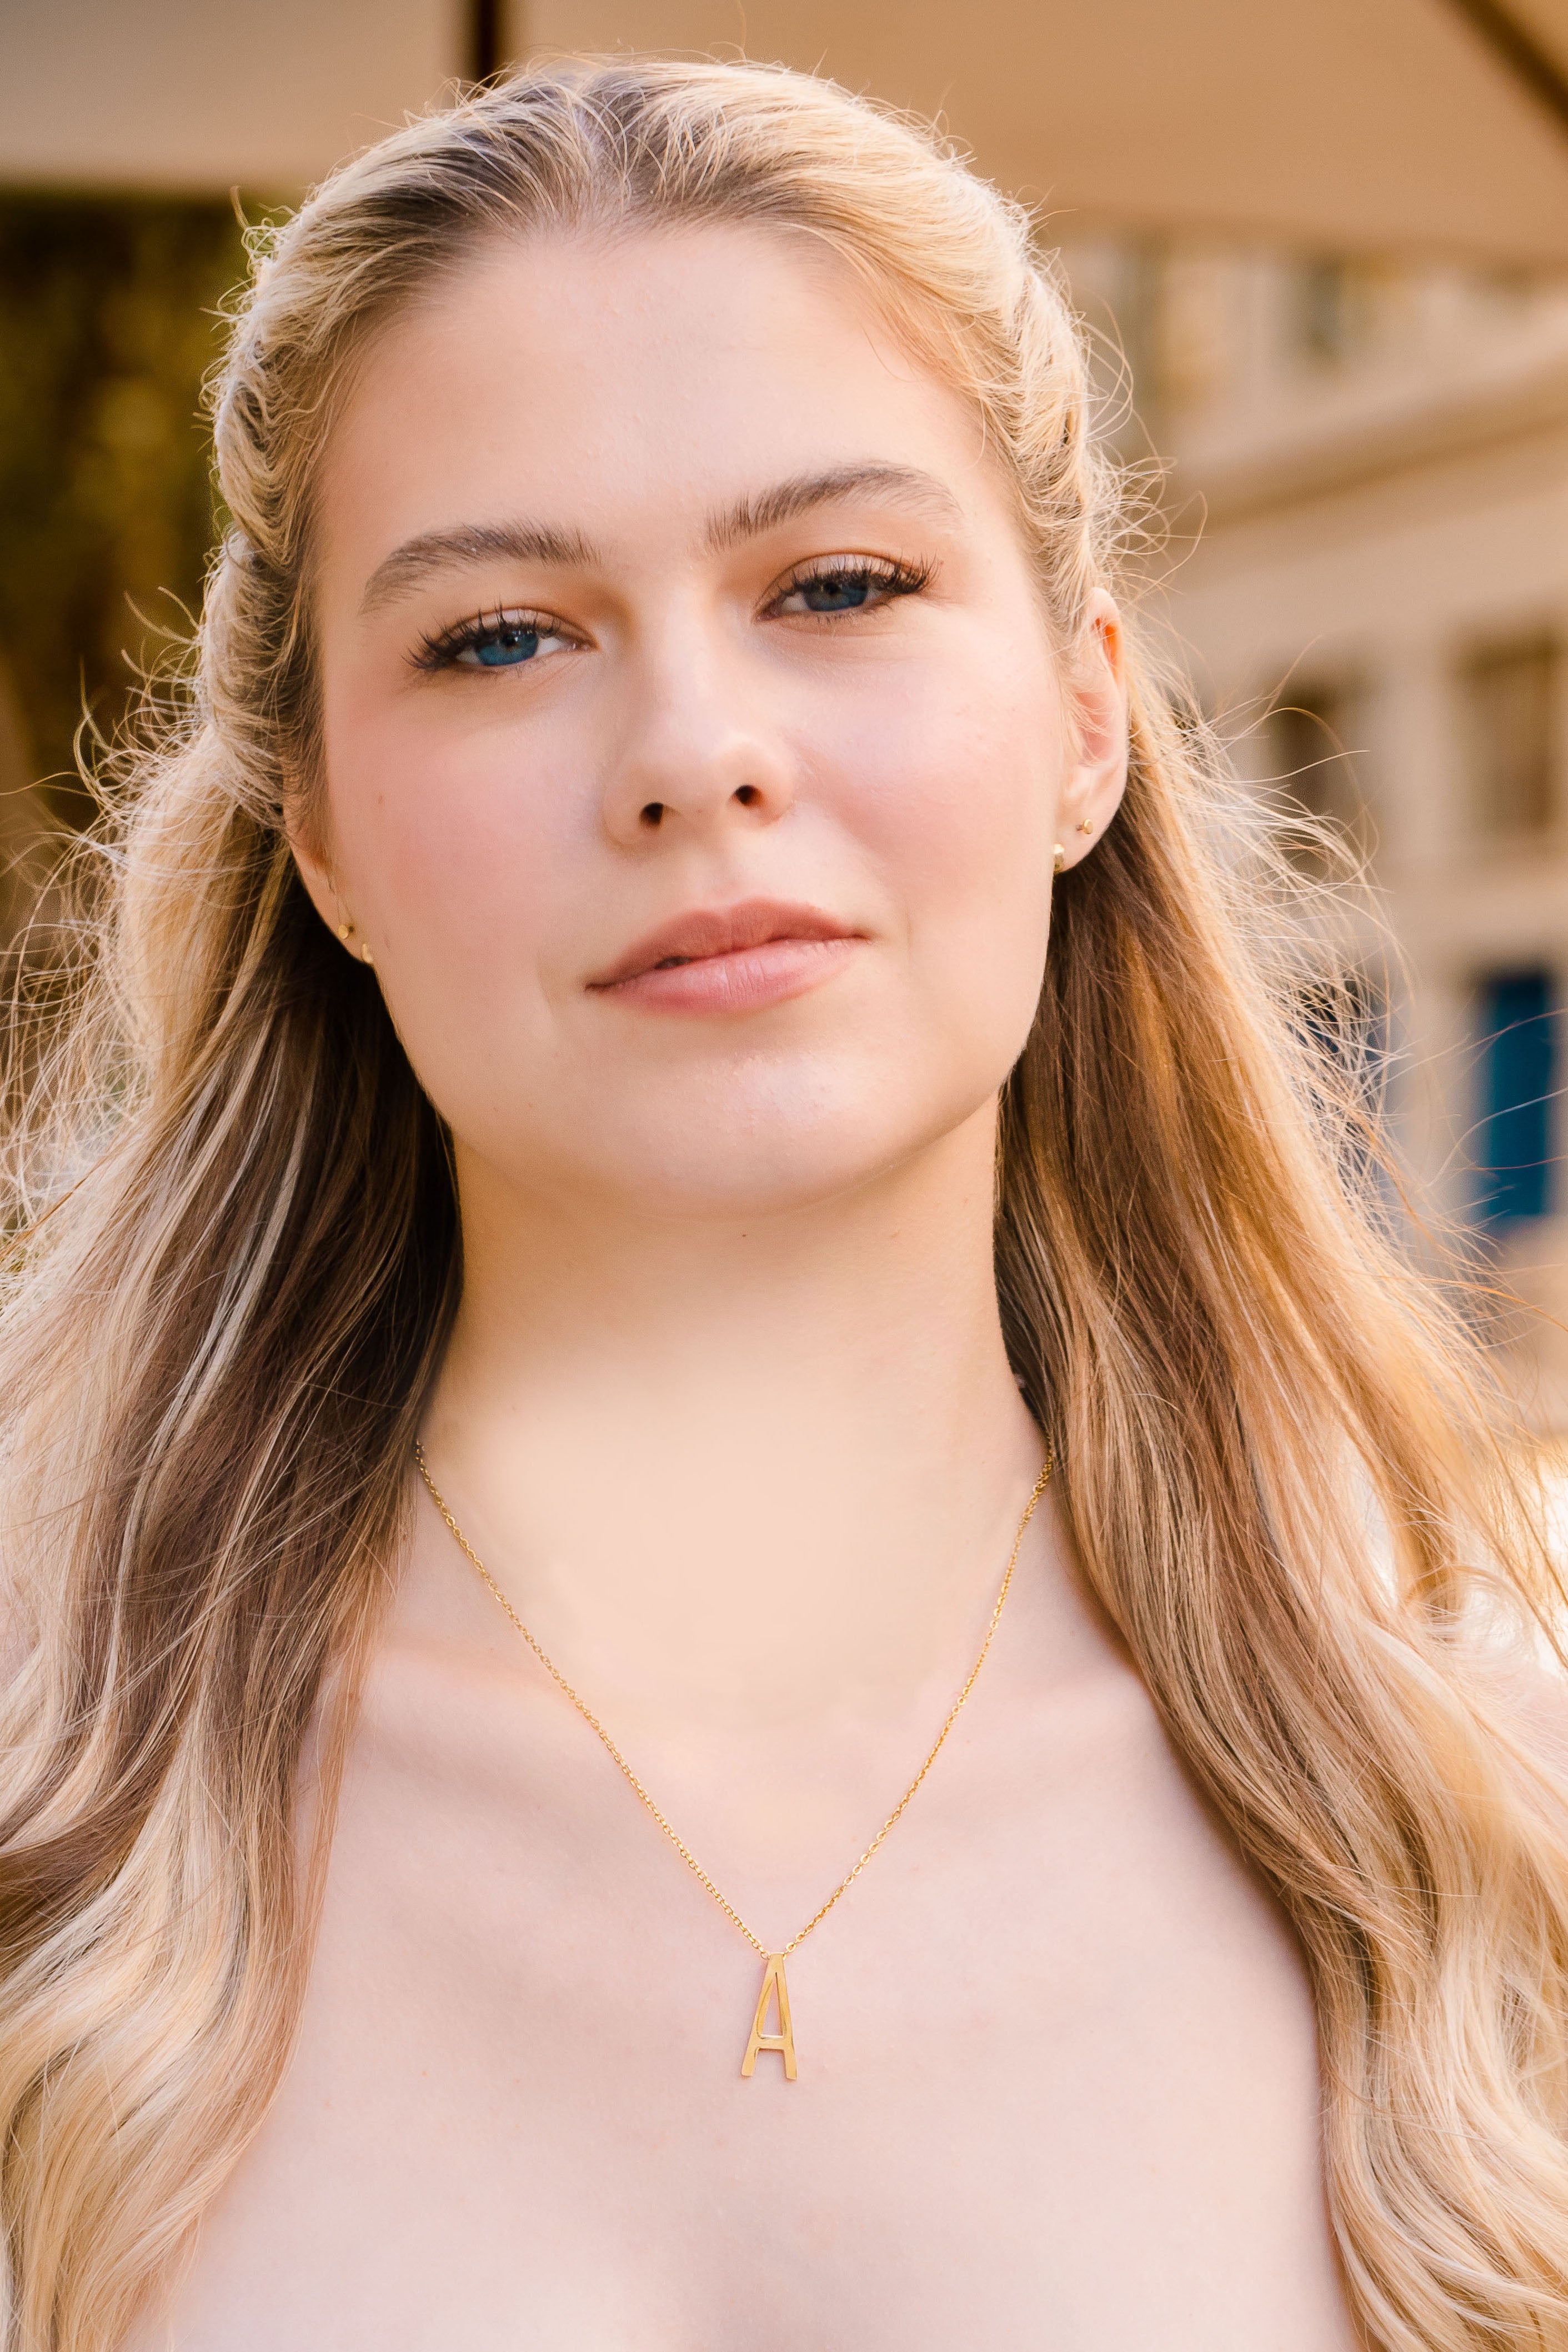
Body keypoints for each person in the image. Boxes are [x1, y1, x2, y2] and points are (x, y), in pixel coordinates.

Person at [1, 56, 1564, 2352]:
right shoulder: (51, 1791)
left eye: (835, 583)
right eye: (499, 636)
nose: (693, 753)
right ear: (319, 837)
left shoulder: (1488, 1795)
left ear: (1084, 721)